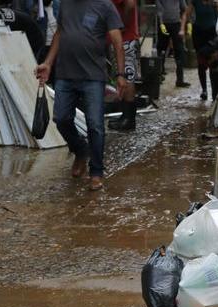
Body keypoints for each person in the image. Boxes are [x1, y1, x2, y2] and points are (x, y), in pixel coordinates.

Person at [37, 0, 129, 190]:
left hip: (93, 76)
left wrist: (120, 75)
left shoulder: (105, 5)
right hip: (65, 73)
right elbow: (59, 33)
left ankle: (96, 172)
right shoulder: (65, 4)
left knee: (95, 125)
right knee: (61, 118)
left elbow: (118, 42)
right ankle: (80, 149)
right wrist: (48, 63)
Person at [110, 0, 140, 131]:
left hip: (125, 38)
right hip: (122, 37)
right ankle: (125, 116)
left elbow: (130, 3)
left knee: (127, 76)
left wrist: (122, 26)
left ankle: (128, 119)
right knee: (124, 75)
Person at [156, 0, 192, 88]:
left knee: (179, 51)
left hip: (176, 24)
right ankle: (158, 76)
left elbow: (184, 9)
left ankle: (180, 80)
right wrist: (161, 23)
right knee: (161, 50)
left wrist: (188, 23)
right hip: (164, 24)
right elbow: (159, 10)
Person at [190, 0, 218, 100]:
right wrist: (185, 26)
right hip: (199, 34)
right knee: (201, 63)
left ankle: (214, 92)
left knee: (213, 62)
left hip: (211, 34)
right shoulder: (195, 2)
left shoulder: (214, 3)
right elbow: (186, 13)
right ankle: (204, 90)